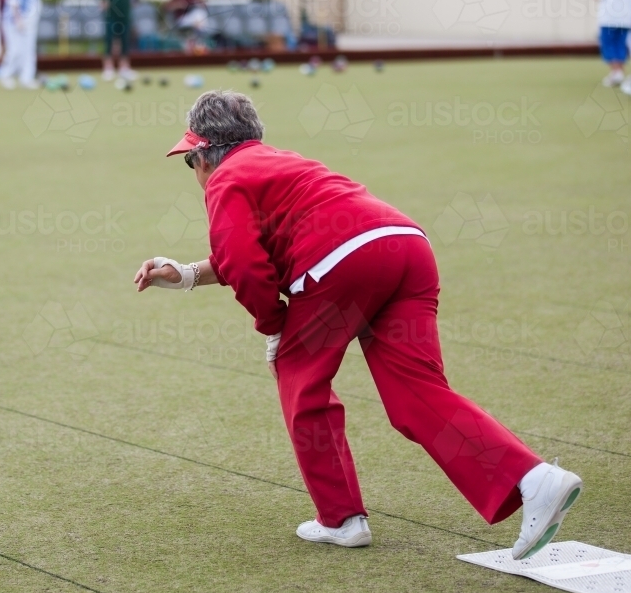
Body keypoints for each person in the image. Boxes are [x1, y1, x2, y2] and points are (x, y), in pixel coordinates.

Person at [134, 90, 583, 559]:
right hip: (405, 246)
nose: (195, 172)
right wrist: (186, 274)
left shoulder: (226, 178)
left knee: (300, 382)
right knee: (417, 394)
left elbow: (247, 265)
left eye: (191, 161)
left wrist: (274, 328)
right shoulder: (280, 163)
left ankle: (342, 519)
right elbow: (251, 252)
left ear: (205, 153)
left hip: (342, 261)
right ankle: (536, 480)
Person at [0, 0, 46, 90]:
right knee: (15, 50)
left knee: (29, 52)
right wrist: (18, 21)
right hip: (13, 25)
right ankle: (5, 75)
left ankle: (27, 78)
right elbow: (13, 4)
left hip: (30, 27)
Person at [92, 0, 139, 81]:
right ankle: (108, 68)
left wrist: (134, 0)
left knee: (125, 42)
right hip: (111, 16)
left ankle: (124, 68)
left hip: (124, 16)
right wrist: (102, 0)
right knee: (109, 41)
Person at [594, 0, 631, 92]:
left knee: (609, 44)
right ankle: (618, 72)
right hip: (627, 18)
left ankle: (617, 72)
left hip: (609, 18)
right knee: (620, 44)